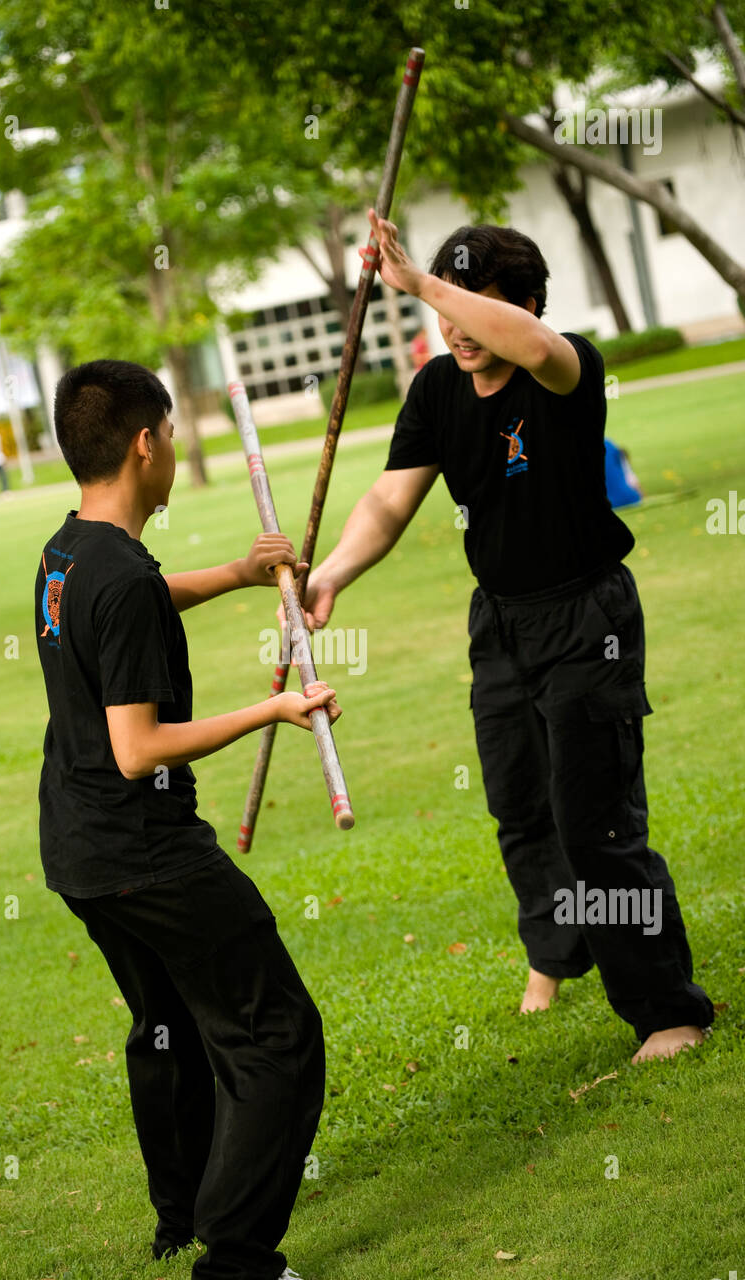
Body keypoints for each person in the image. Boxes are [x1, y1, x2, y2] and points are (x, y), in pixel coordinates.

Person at [302, 211, 713, 1065]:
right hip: (500, 623)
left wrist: (418, 283)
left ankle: (668, 1011)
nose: (452, 327)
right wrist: (333, 571)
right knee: (521, 810)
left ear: (526, 306)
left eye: (471, 306)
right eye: (441, 312)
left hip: (585, 617)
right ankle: (554, 955)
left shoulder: (564, 367)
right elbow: (389, 499)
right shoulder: (439, 391)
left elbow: (532, 346)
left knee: (593, 821)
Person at [34, 358, 344, 1280]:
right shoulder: (118, 574)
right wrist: (274, 709)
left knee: (168, 1026)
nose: (172, 448)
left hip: (81, 853)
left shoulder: (68, 550)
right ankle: (239, 1272)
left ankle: (184, 1220)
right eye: (168, 434)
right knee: (276, 1034)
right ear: (145, 443)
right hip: (147, 850)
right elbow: (139, 748)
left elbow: (130, 605)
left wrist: (243, 576)